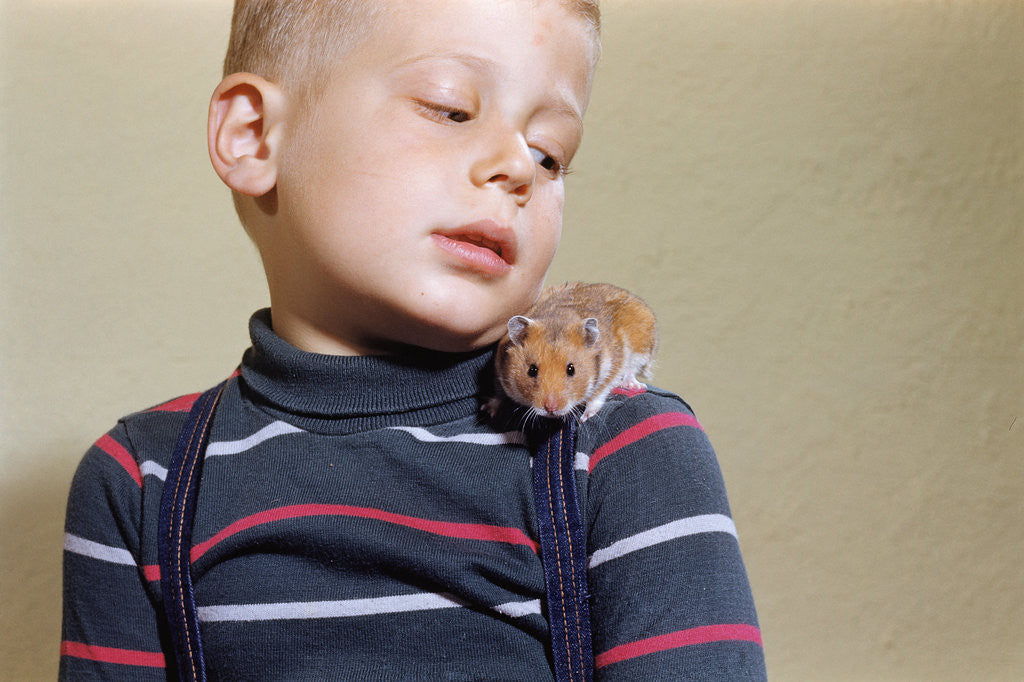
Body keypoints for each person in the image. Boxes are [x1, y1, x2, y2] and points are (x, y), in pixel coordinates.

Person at [60, 0, 767, 679]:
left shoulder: (628, 452)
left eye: (550, 155)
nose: (518, 167)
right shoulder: (138, 482)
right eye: (450, 108)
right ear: (253, 136)